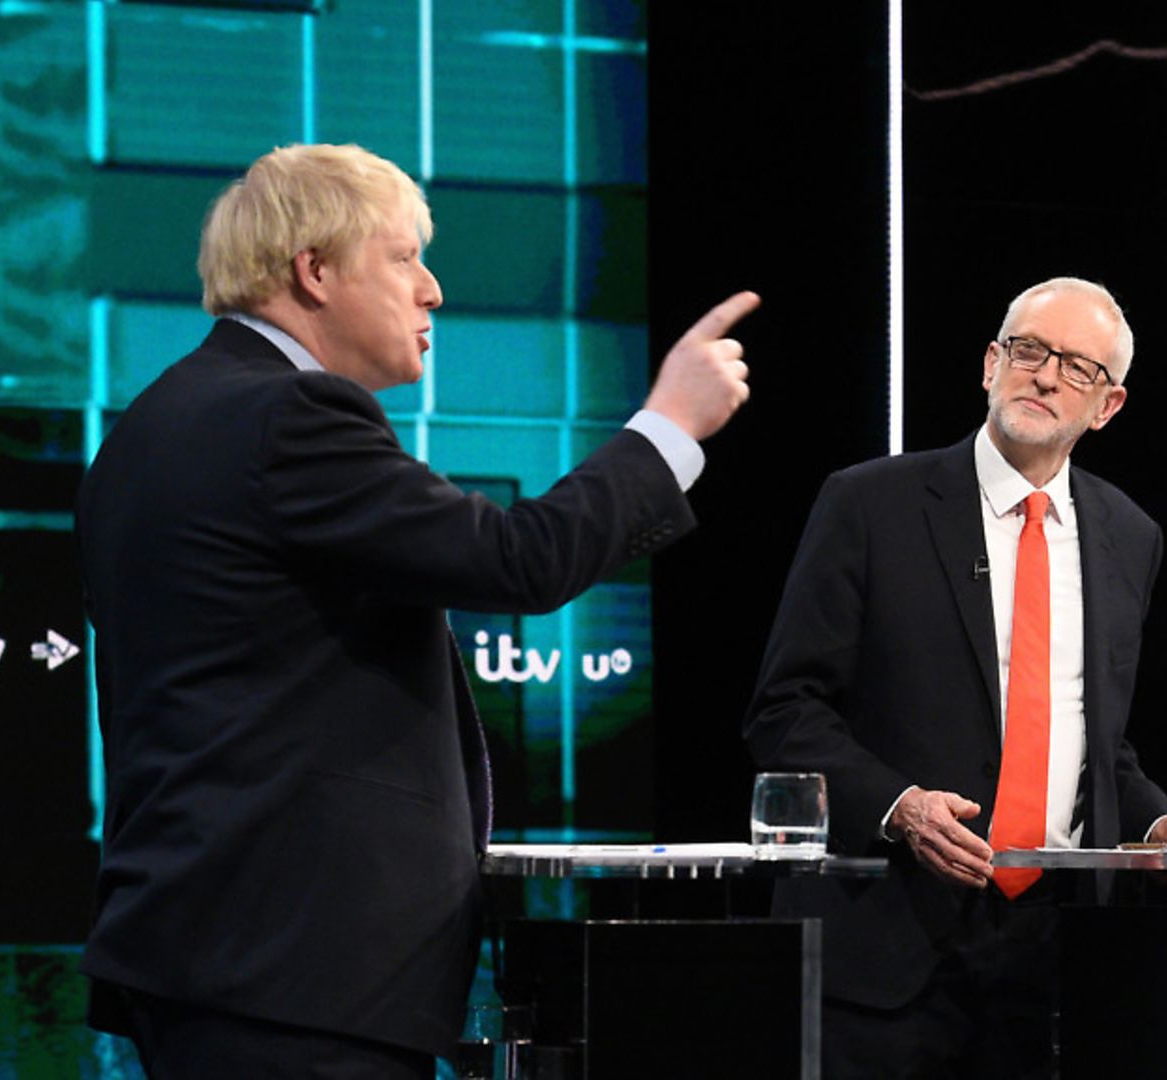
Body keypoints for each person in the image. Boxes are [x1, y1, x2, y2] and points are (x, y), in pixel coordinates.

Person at [75, 143, 756, 1077]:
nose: (432, 290)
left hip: (219, 956)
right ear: (313, 271)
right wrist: (669, 426)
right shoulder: (289, 417)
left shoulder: (156, 423)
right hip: (293, 971)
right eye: (403, 259)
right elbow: (519, 561)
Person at [743, 277, 1167, 1078]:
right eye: (1030, 350)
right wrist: (899, 807)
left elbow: (1094, 746)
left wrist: (1158, 828)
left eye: (1079, 367)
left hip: (1046, 961)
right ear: (991, 363)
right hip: (878, 956)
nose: (1047, 375)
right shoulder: (869, 503)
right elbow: (784, 711)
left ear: (1109, 406)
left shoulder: (1131, 536)